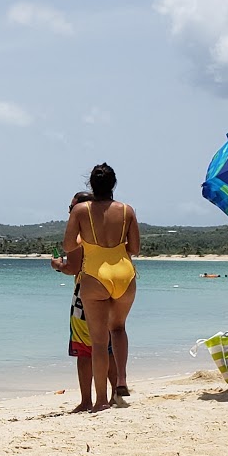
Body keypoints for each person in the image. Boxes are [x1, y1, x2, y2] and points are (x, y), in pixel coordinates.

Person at [62, 163, 140, 410]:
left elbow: (68, 245)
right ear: (113, 184)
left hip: (95, 274)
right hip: (124, 272)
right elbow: (135, 248)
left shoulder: (81, 211)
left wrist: (85, 240)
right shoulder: (127, 210)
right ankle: (122, 380)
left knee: (97, 342)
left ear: (91, 185)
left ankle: (100, 401)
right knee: (118, 329)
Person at [50, 191, 109, 413]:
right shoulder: (109, 230)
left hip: (86, 292)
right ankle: (113, 395)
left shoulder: (80, 235)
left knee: (84, 349)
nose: (69, 212)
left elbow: (73, 268)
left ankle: (87, 400)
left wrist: (57, 265)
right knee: (107, 345)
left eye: (72, 208)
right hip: (110, 288)